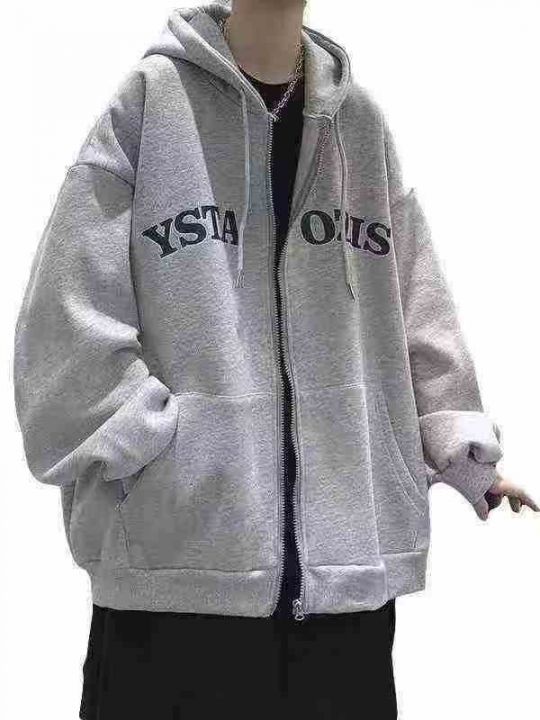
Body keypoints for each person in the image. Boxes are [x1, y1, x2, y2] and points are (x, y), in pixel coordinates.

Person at [13, 1, 538, 718]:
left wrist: (461, 449)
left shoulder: (361, 126)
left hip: (344, 599)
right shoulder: (151, 103)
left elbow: (415, 300)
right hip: (174, 597)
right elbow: (64, 322)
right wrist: (160, 456)